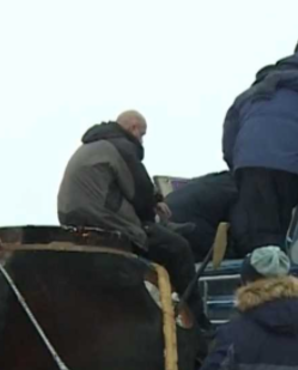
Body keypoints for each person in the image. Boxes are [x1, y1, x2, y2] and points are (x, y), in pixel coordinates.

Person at [57, 110, 208, 326]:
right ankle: (197, 323)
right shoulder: (120, 145)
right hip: (104, 222)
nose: (142, 139)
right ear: (134, 128)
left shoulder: (93, 146)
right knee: (179, 248)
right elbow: (140, 192)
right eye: (143, 133)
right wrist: (155, 205)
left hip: (75, 222)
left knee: (159, 236)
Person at [223, 66, 298, 256]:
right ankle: (278, 274)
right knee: (283, 227)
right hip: (294, 168)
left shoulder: (245, 97)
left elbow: (229, 141)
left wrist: (237, 167)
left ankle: (265, 279)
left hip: (251, 166)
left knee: (260, 232)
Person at [164, 170, 238, 261]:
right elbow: (243, 231)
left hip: (168, 216)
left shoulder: (221, 181)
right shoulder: (239, 188)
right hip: (191, 220)